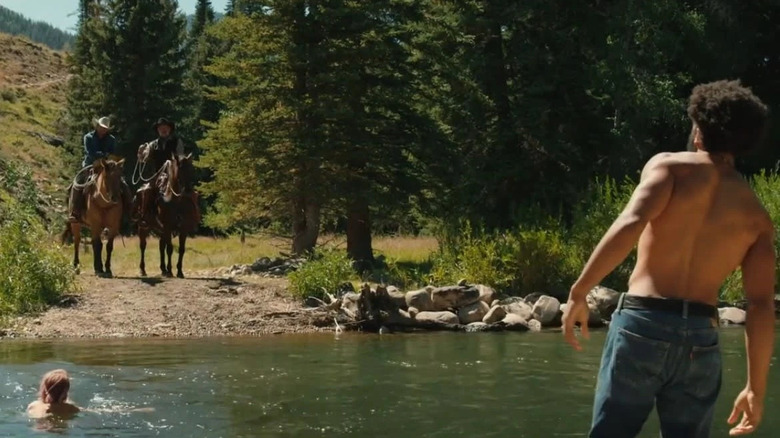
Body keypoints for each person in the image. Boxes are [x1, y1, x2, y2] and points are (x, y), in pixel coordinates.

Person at [562, 79, 775, 437]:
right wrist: (756, 388)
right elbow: (761, 306)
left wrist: (579, 291)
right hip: (700, 337)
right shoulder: (756, 215)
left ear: (697, 130)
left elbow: (630, 224)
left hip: (642, 324)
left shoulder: (669, 168)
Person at [133, 117, 200, 227]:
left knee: (190, 192)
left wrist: (181, 160)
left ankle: (193, 216)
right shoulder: (152, 145)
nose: (163, 130)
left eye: (166, 128)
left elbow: (180, 155)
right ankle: (144, 216)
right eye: (161, 128)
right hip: (157, 175)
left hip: (174, 173)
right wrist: (141, 153)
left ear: (169, 129)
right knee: (146, 191)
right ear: (158, 130)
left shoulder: (177, 142)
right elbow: (143, 159)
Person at [67, 117, 132, 223]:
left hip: (106, 166)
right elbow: (89, 152)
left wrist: (106, 157)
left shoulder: (111, 139)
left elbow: (111, 152)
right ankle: (75, 211)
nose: (103, 130)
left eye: (105, 128)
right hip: (90, 164)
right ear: (97, 126)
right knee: (78, 183)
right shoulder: (88, 137)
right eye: (101, 127)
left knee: (122, 183)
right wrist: (102, 155)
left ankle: (129, 211)